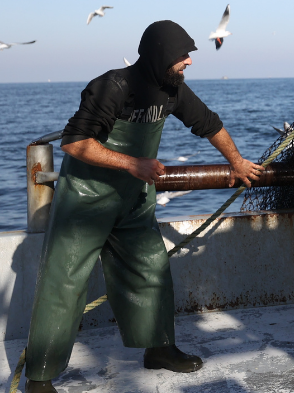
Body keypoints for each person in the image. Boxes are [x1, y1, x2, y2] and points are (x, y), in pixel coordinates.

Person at [24, 21, 264, 393]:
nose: (188, 62)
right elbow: (74, 143)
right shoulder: (113, 87)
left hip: (133, 201)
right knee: (64, 282)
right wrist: (133, 163)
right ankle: (39, 377)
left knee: (152, 269)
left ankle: (160, 350)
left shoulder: (173, 90)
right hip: (85, 201)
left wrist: (236, 162)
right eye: (182, 56)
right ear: (159, 56)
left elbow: (209, 125)